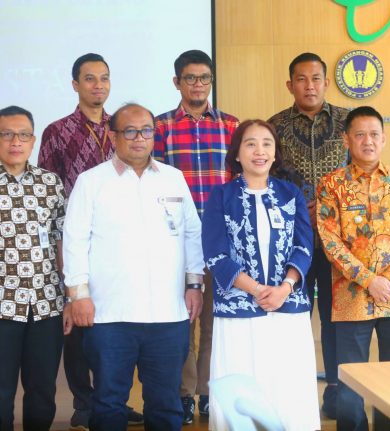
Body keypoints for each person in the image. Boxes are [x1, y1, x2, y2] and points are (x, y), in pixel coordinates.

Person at [62, 103, 204, 431]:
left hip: (167, 314)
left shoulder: (173, 179)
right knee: (109, 403)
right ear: (113, 136)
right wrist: (78, 295)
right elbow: (74, 241)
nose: (139, 138)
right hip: (110, 316)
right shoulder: (91, 182)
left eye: (146, 131)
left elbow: (192, 234)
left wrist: (195, 284)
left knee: (165, 403)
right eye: (130, 131)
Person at [38, 53, 143, 429]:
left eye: (104, 78)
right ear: (75, 85)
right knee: (80, 325)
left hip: (119, 240)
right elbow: (48, 192)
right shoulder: (57, 131)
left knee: (114, 324)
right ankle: (84, 404)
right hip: (75, 240)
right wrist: (59, 249)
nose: (98, 85)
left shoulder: (124, 129)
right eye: (90, 78)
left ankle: (112, 400)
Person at [202, 120, 320, 431]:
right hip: (238, 313)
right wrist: (256, 289)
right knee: (243, 391)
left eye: (267, 144)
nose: (260, 151)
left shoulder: (290, 194)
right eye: (250, 144)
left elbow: (304, 247)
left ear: (275, 152)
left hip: (287, 309)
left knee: (287, 390)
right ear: (237, 153)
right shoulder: (221, 196)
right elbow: (215, 255)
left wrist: (285, 287)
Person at [317, 106, 390, 431]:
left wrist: (389, 280)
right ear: (346, 140)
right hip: (351, 299)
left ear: (384, 138)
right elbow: (330, 241)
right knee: (351, 381)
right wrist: (369, 280)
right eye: (360, 135)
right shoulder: (332, 184)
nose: (368, 141)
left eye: (374, 134)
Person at [154, 49, 239, 424]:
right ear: (177, 82)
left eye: (204, 77)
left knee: (215, 321)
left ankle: (208, 392)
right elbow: (154, 184)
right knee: (182, 320)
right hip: (177, 242)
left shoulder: (232, 126)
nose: (198, 84)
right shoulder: (160, 127)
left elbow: (239, 183)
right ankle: (184, 394)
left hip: (221, 241)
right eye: (190, 78)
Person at [268, 52, 348, 418]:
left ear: (326, 82)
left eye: (316, 78)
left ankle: (336, 390)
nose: (310, 85)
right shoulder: (275, 127)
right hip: (292, 241)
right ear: (290, 85)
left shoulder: (347, 122)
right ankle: (290, 392)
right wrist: (300, 210)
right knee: (292, 316)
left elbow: (359, 176)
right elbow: (267, 181)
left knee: (335, 319)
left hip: (339, 243)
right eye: (301, 79)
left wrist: (330, 210)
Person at [0, 106, 65, 430]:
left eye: (23, 134)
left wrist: (71, 294)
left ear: (33, 140)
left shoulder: (50, 183)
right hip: (2, 306)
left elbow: (62, 240)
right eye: (7, 134)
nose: (16, 141)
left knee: (42, 391)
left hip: (46, 304)